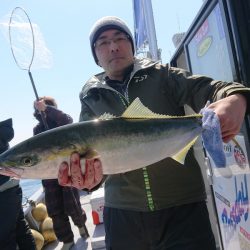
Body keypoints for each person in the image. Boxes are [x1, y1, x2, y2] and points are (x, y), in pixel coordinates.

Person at [58, 16, 250, 250]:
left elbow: (212, 89)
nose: (113, 47)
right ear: (96, 56)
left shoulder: (163, 75)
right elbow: (92, 159)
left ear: (131, 44)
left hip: (184, 208)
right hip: (123, 215)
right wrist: (89, 182)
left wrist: (236, 97)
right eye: (103, 43)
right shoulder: (90, 97)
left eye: (120, 38)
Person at [33, 96, 89, 250]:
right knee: (55, 211)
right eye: (38, 108)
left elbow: (68, 120)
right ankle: (67, 240)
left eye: (45, 106)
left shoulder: (62, 122)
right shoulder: (37, 129)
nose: (41, 110)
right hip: (49, 177)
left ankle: (81, 225)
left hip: (67, 172)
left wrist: (47, 110)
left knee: (73, 206)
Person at [0, 118, 36, 250]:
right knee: (21, 229)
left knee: (4, 240)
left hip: (3, 192)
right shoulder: (2, 134)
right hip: (12, 187)